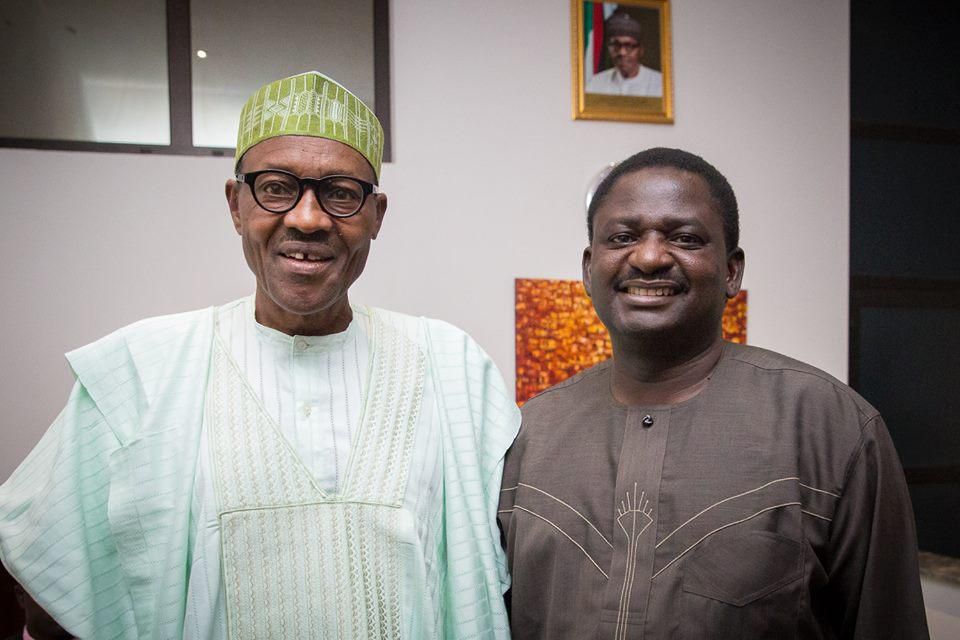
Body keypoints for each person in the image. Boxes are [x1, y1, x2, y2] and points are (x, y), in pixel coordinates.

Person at [0, 71, 520, 639]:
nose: (307, 218)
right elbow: (52, 591)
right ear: (235, 204)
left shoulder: (450, 367)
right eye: (276, 187)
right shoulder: (143, 370)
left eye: (341, 194)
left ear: (376, 215)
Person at [498, 148, 929, 638]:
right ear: (588, 267)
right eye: (622, 238)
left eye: (684, 238)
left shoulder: (832, 428)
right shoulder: (527, 434)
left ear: (731, 271)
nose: (649, 256)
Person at [585, 11, 663, 98]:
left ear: (641, 50)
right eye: (616, 45)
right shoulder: (595, 83)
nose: (622, 52)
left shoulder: (660, 83)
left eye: (629, 46)